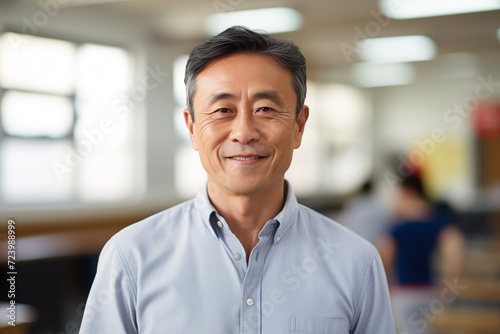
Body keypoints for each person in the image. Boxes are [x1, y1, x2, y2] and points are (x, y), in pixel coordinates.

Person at [79, 26, 396, 334]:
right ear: (191, 128)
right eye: (222, 110)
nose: (244, 132)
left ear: (299, 126)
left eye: (265, 109)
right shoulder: (131, 256)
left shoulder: (356, 262)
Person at [377, 174, 464, 334]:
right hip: (430, 291)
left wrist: (383, 288)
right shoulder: (439, 223)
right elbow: (453, 255)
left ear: (407, 192)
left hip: (403, 292)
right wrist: (451, 279)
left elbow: (383, 259)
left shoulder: (397, 227)